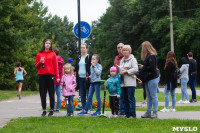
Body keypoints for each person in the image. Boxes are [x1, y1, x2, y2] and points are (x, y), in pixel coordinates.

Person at [35, 39, 60, 117]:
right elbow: (36, 66)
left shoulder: (53, 54)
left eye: (49, 43)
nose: (48, 44)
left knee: (51, 93)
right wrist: (40, 62)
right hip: (42, 75)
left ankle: (52, 109)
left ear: (50, 45)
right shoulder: (39, 54)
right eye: (46, 43)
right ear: (44, 44)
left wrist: (57, 76)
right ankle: (44, 109)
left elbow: (55, 66)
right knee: (43, 93)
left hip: (50, 75)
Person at [140, 41, 159, 119]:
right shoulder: (148, 57)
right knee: (149, 96)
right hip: (148, 79)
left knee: (153, 95)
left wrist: (142, 67)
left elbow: (152, 68)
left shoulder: (152, 56)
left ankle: (155, 112)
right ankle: (148, 112)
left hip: (152, 78)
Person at [119, 45, 138, 118]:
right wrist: (120, 73)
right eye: (123, 50)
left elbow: (135, 69)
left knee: (131, 98)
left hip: (130, 82)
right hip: (123, 83)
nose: (125, 51)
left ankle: (132, 115)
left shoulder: (133, 59)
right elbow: (121, 70)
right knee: (125, 99)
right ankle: (127, 114)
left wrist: (126, 71)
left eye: (126, 50)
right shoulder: (122, 60)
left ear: (129, 51)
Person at [75, 44, 92, 112]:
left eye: (84, 48)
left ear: (87, 49)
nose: (82, 49)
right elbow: (76, 67)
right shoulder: (79, 57)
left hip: (87, 78)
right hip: (80, 78)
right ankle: (84, 108)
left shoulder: (89, 57)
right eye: (81, 48)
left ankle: (89, 108)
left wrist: (90, 75)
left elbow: (92, 66)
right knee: (82, 94)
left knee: (88, 94)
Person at [114, 43, 125, 115]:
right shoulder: (116, 58)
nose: (120, 48)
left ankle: (123, 110)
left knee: (123, 94)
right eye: (119, 47)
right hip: (117, 78)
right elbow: (114, 67)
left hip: (124, 77)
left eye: (121, 47)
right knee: (118, 94)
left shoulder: (125, 57)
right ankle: (119, 109)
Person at [52, 48, 64, 112]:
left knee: (52, 94)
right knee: (59, 95)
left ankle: (53, 107)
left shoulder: (53, 59)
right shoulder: (61, 59)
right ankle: (58, 108)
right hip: (59, 79)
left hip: (53, 78)